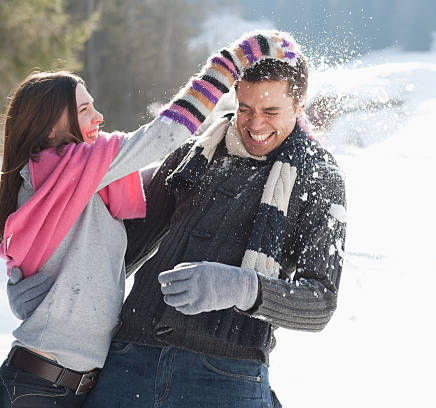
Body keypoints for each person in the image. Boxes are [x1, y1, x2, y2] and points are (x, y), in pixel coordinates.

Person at [9, 30, 347, 408]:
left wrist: (244, 288)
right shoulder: (194, 154)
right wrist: (50, 280)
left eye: (271, 112)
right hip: (128, 362)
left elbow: (319, 302)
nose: (254, 124)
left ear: (299, 105)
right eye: (245, 108)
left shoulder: (318, 176)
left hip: (225, 373)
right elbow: (120, 248)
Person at [0, 36, 250, 407]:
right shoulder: (68, 170)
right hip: (39, 388)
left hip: (64, 385)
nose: (98, 118)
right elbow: (163, 135)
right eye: (85, 110)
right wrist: (227, 67)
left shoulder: (66, 185)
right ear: (51, 129)